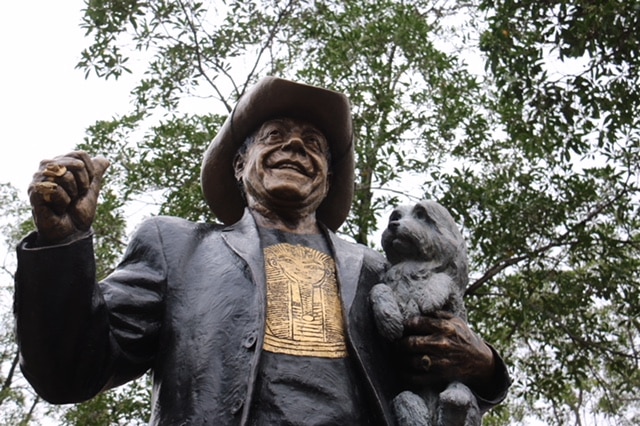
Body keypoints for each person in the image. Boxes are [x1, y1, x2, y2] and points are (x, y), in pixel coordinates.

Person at [14, 77, 509, 425]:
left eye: (313, 143)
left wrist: (485, 365)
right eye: (274, 137)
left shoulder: (377, 270)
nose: (295, 147)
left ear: (329, 176)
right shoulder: (175, 247)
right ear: (238, 164)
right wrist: (62, 242)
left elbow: (434, 377)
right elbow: (70, 372)